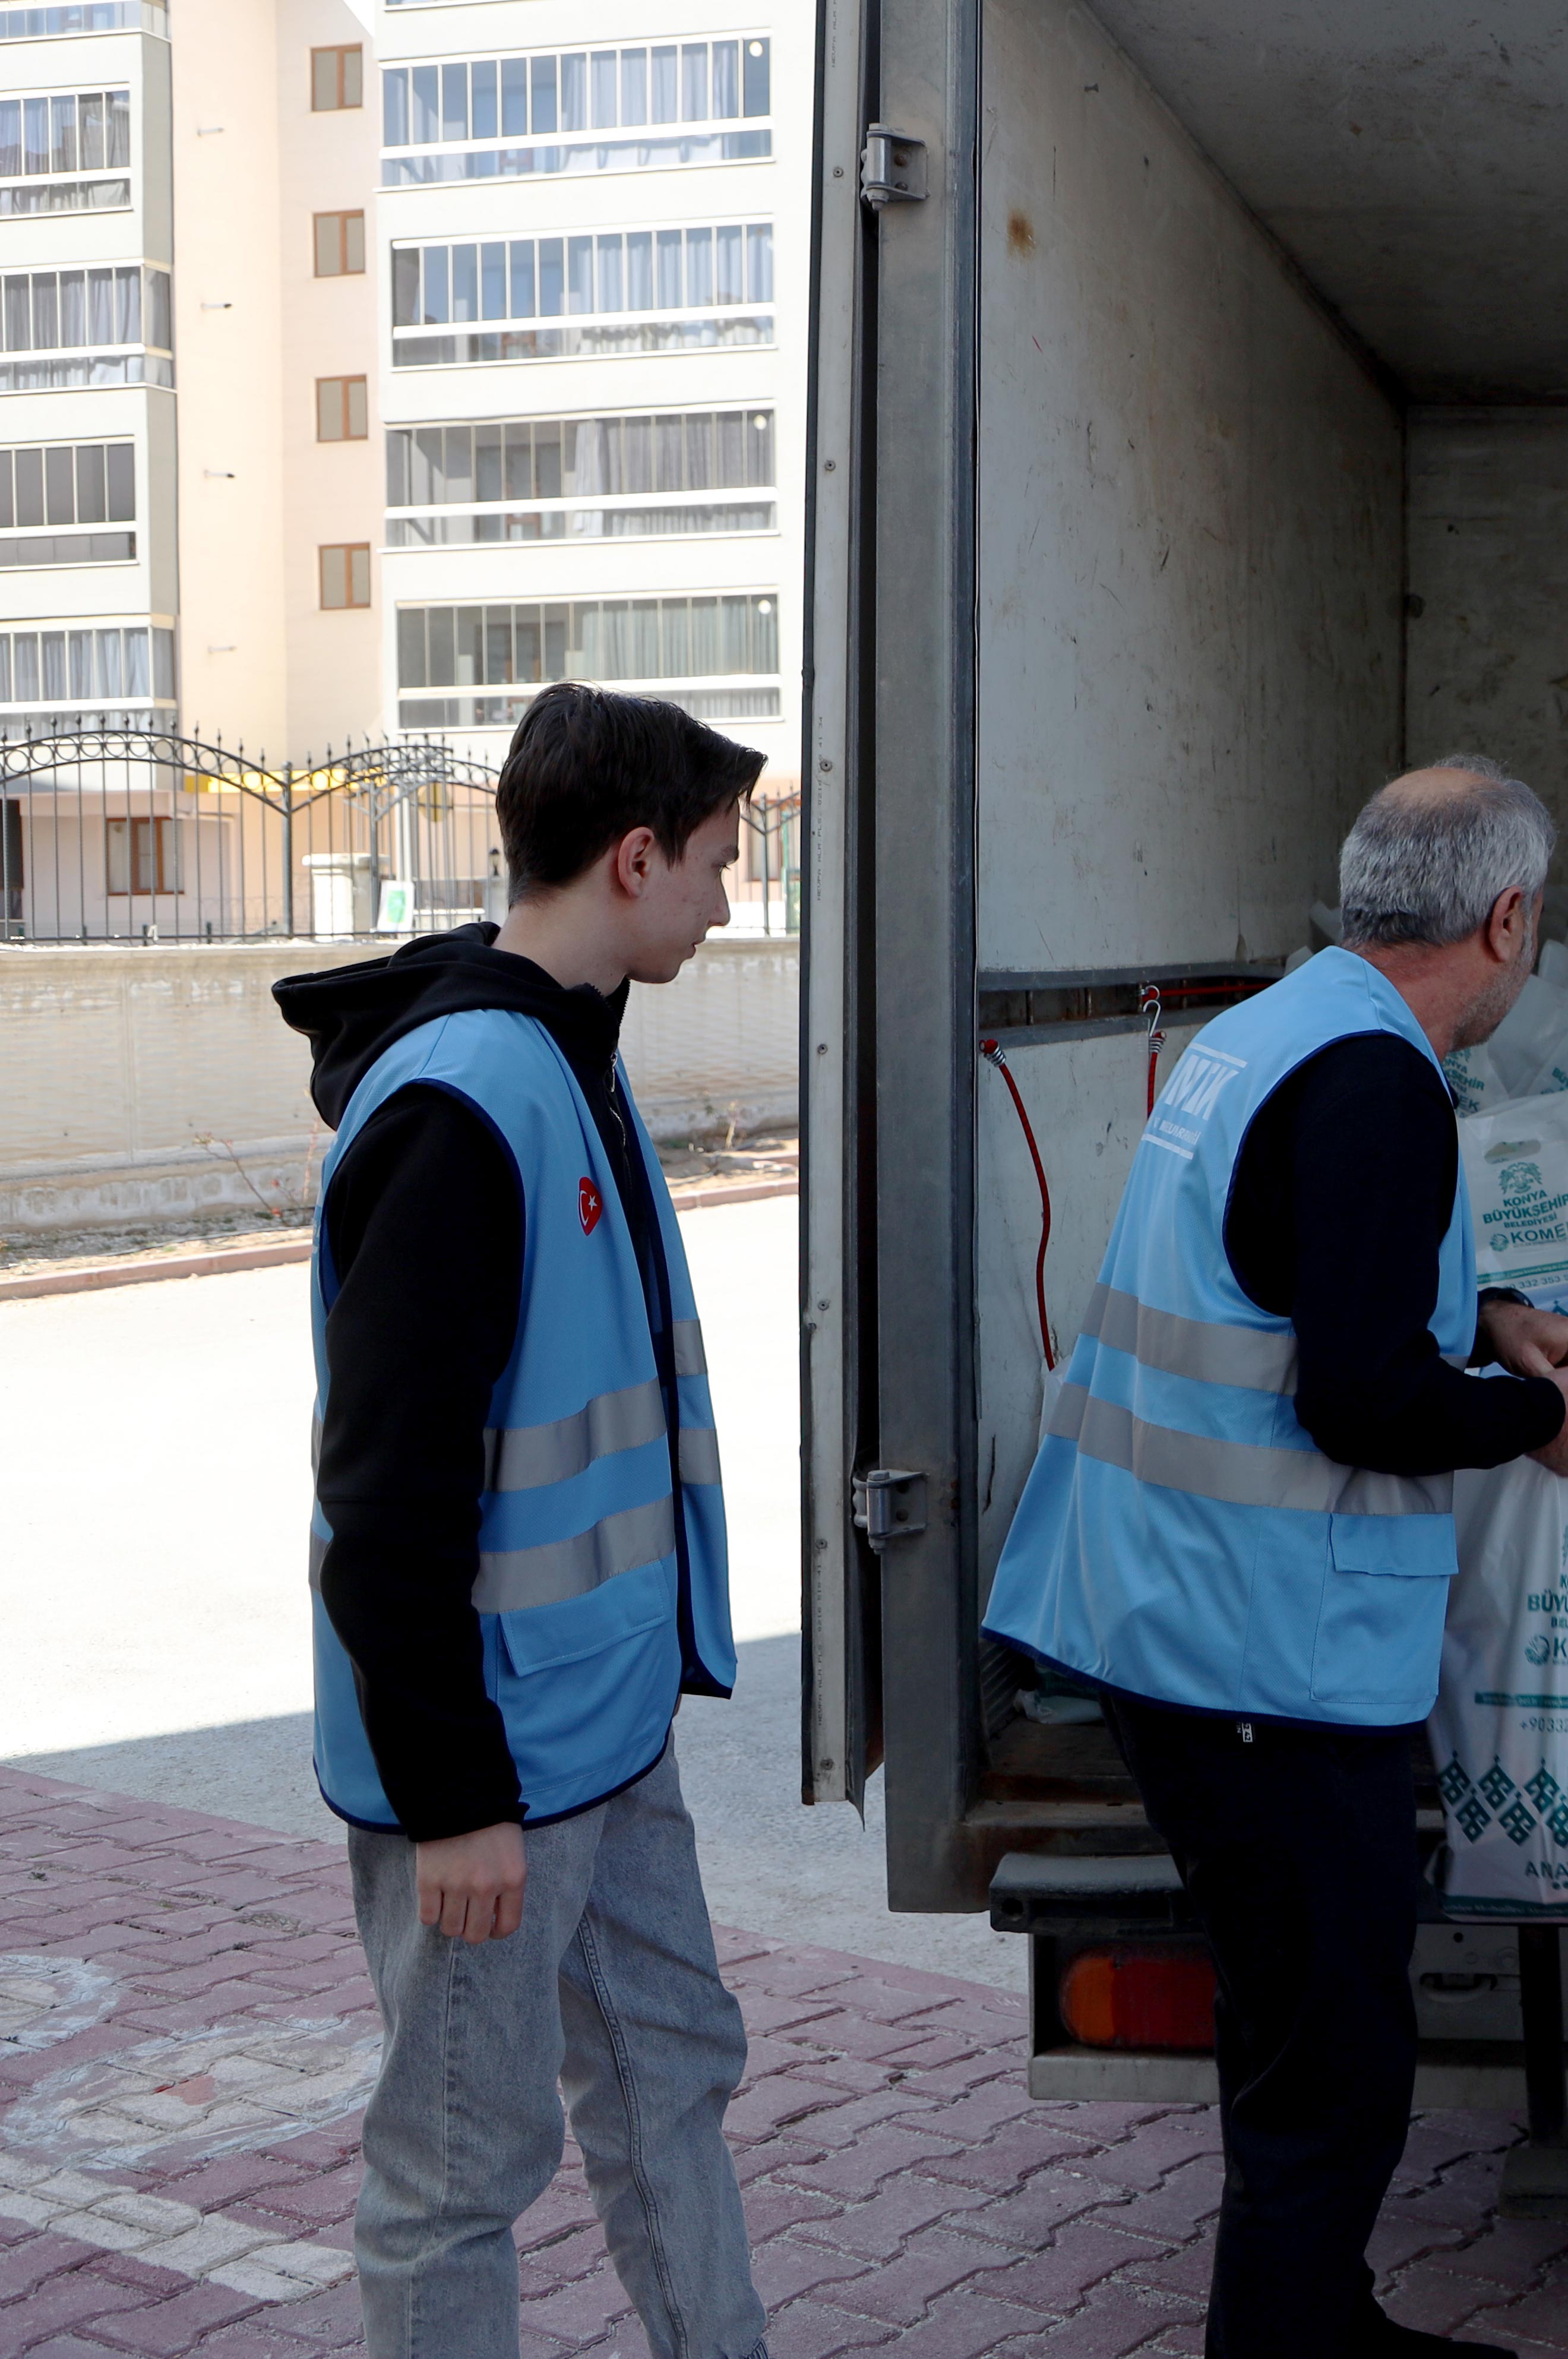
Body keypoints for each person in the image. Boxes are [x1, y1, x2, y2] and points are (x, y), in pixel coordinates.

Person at [981, 757, 1568, 2359]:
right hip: (1257, 1655)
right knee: (1331, 2063)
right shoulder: (1377, 1083)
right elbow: (1357, 1396)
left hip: (1171, 1617)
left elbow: (1286, 1271)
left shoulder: (1275, 1032)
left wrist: (1488, 1320)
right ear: (1505, 917)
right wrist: (1533, 1417)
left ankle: (1321, 2322)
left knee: (1293, 2031)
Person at [274, 683, 768, 2359]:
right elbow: (386, 1504)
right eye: (714, 860)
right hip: (490, 1771)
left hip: (604, 1729)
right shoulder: (469, 1103)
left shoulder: (570, 1055)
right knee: (455, 2169)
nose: (723, 895)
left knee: (670, 2078)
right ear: (633, 858)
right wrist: (458, 1802)